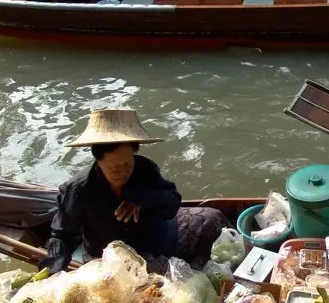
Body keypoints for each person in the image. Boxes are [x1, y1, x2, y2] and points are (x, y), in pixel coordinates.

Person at [39, 108, 227, 275]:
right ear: (98, 160)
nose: (122, 172)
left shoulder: (145, 168)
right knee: (162, 278)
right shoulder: (79, 189)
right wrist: (53, 270)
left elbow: (172, 203)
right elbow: (62, 234)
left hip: (157, 237)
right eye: (113, 167)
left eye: (127, 164)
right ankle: (183, 271)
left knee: (212, 217)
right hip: (115, 258)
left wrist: (142, 199)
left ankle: (192, 266)